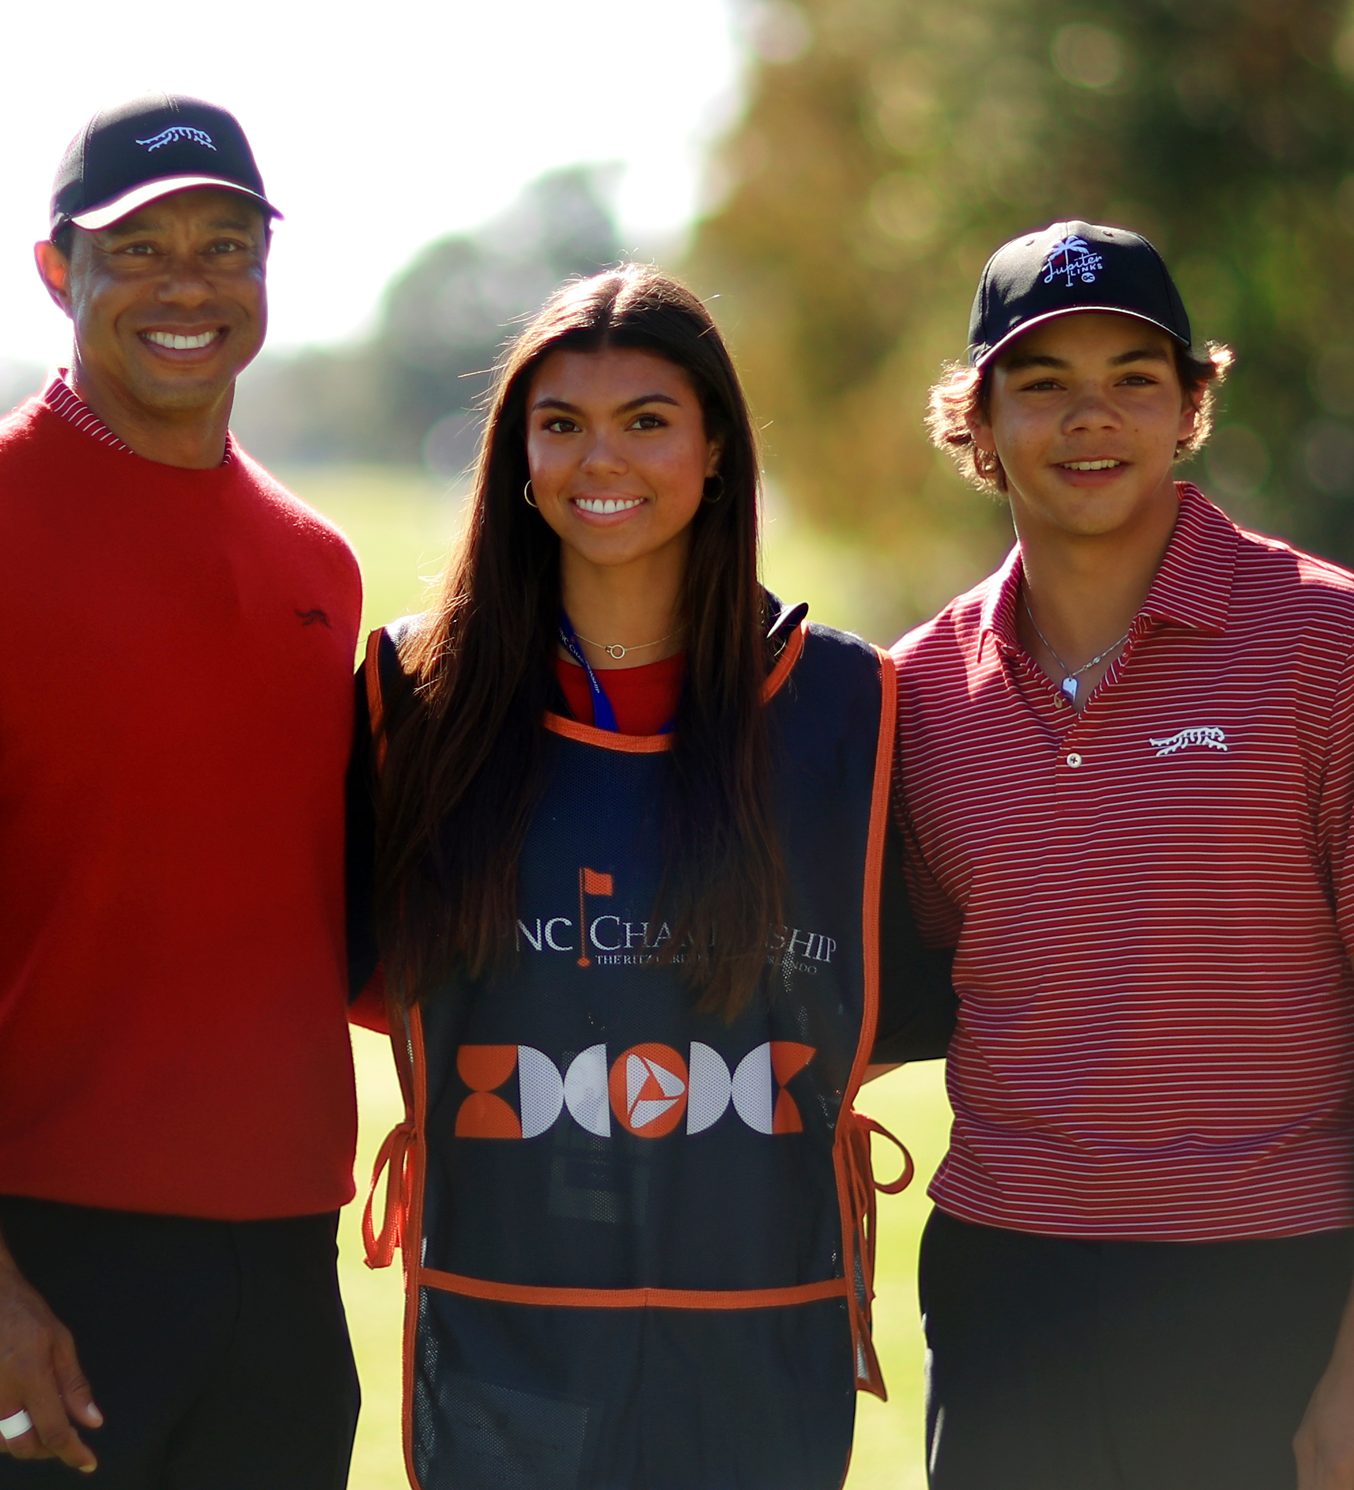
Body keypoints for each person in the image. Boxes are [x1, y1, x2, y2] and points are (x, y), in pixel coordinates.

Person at [0, 96, 363, 1488]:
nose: (188, 286)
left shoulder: (316, 563)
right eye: (140, 249)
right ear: (60, 272)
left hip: (283, 1270)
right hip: (32, 1264)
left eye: (224, 246)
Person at [892, 221, 1354, 1490]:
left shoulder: (1336, 640)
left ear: (1188, 408)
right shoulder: (916, 689)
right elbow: (891, 996)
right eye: (1043, 383)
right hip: (1006, 1293)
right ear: (979, 422)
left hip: (1266, 1290)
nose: (1091, 418)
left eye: (1133, 378)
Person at [348, 265, 951, 1489]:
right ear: (518, 455)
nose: (600, 458)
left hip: (758, 1342)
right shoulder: (412, 698)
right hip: (504, 1340)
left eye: (646, 420)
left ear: (716, 448)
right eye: (561, 423)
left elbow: (885, 1008)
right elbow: (369, 983)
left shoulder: (849, 702)